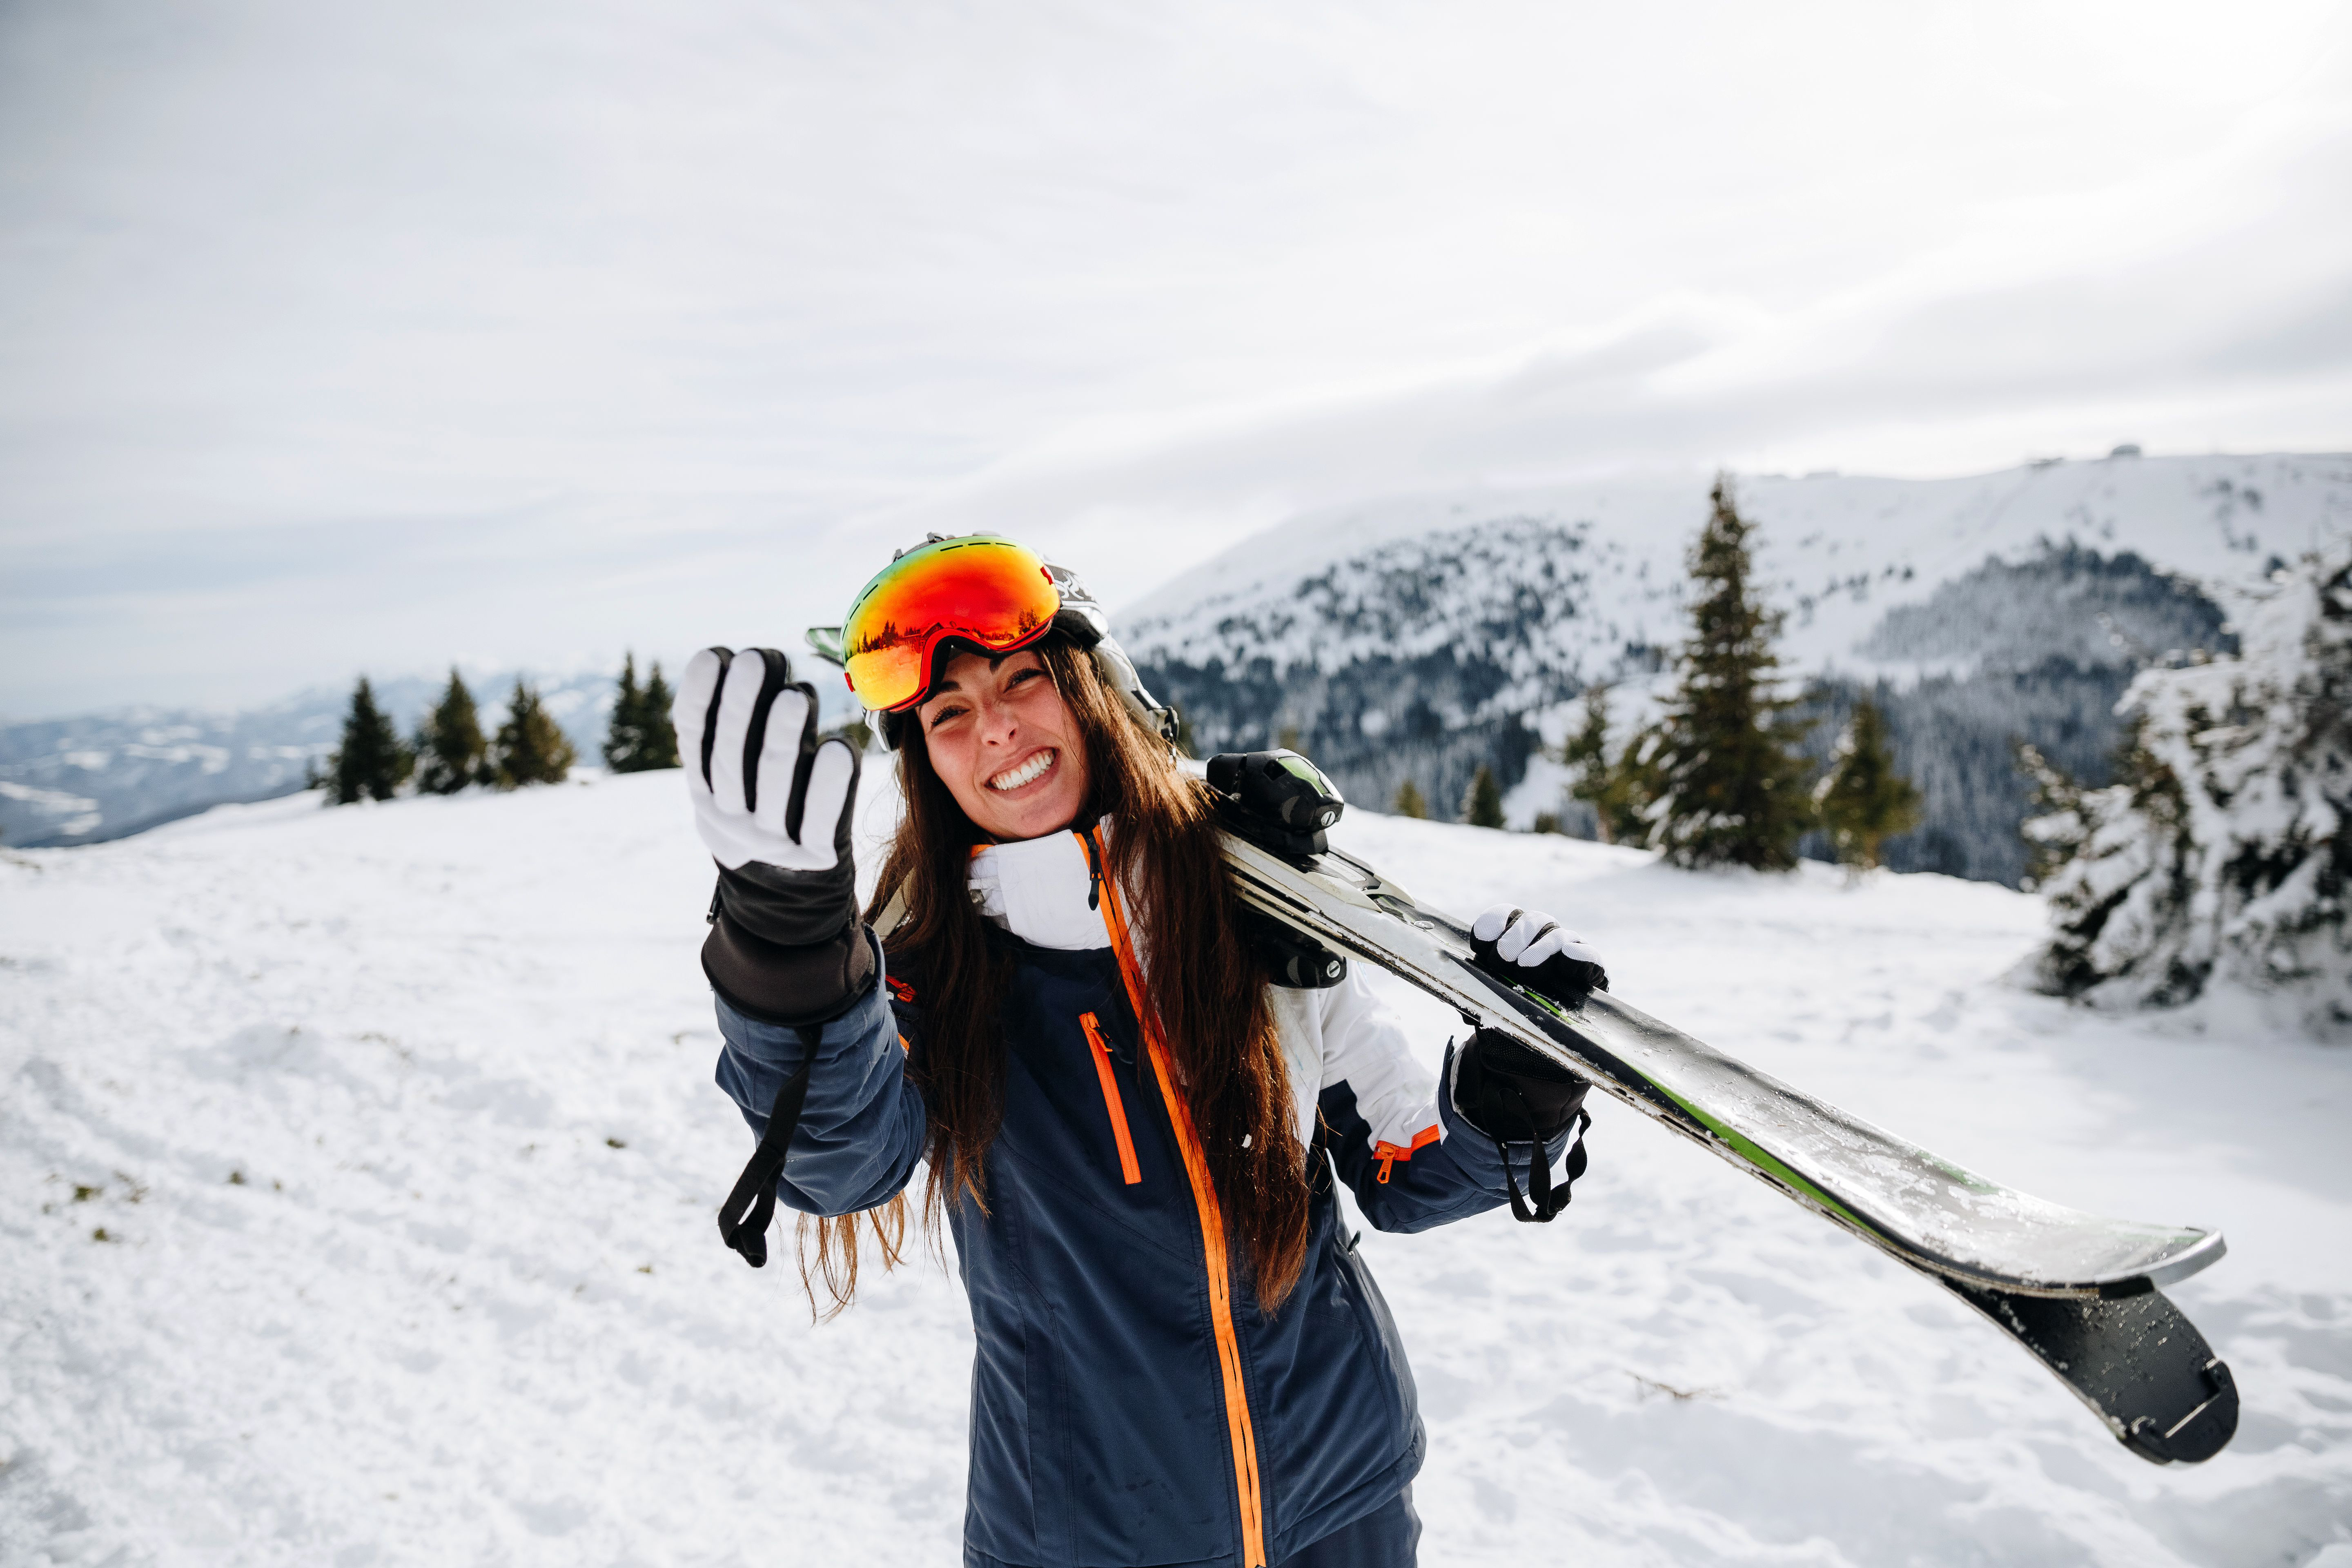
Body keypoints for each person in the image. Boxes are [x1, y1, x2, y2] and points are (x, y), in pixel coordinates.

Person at [674, 534, 1606, 1568]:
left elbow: (1408, 1174)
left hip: (1342, 1499)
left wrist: (1519, 1092)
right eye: (948, 714)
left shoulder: (1250, 900)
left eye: (1023, 679)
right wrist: (788, 945)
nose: (997, 729)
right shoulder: (917, 964)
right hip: (1088, 1535)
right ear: (926, 762)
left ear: (1092, 691)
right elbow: (843, 1166)